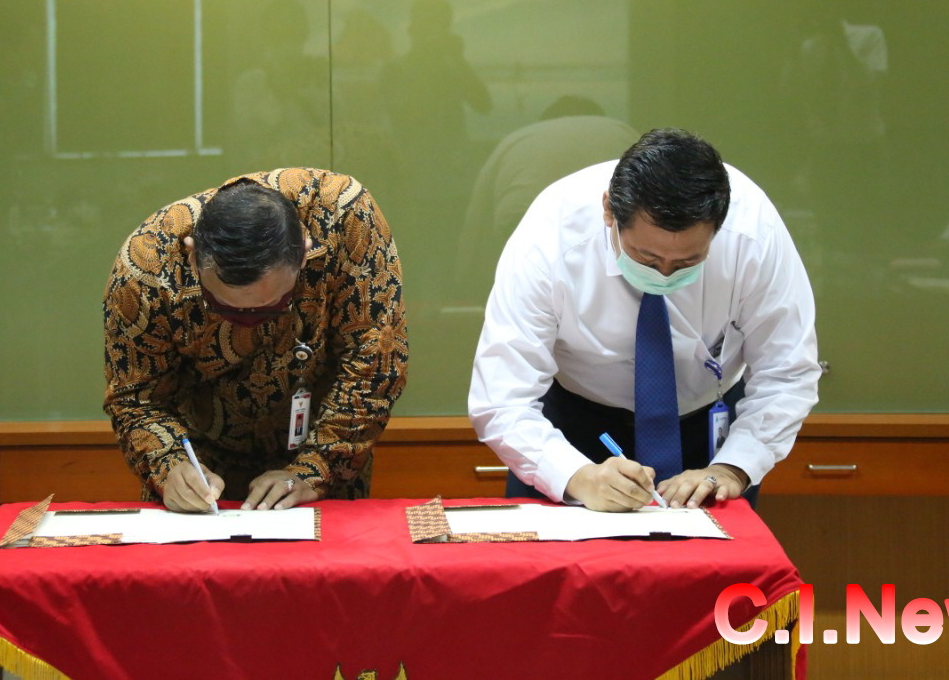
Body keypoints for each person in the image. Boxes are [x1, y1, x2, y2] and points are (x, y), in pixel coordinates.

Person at [468, 129, 819, 512]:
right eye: (646, 258)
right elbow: (503, 398)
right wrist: (576, 476)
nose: (664, 275)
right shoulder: (550, 238)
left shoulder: (753, 234)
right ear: (609, 211)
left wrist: (733, 467)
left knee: (712, 547)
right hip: (570, 430)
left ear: (717, 229)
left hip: (709, 430)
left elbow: (787, 373)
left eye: (687, 262)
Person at [104, 168, 407, 512]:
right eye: (225, 308)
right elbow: (136, 398)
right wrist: (169, 466)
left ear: (304, 254)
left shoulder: (344, 216)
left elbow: (375, 361)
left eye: (272, 306)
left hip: (328, 449)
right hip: (198, 473)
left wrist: (315, 469)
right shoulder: (147, 263)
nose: (249, 321)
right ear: (192, 256)